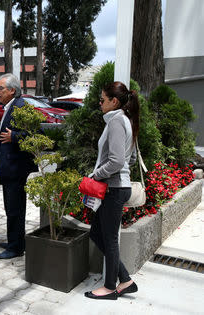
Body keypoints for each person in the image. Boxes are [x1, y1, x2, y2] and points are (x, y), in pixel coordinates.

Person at [84, 81, 139, 300]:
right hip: (118, 187)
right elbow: (131, 158)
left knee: (108, 238)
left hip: (114, 189)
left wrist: (95, 175)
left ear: (114, 101)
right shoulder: (125, 120)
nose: (99, 103)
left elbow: (116, 162)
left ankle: (109, 288)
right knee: (98, 233)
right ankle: (125, 280)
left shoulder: (117, 121)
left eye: (102, 100)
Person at [0, 73, 38, 260]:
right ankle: (15, 240)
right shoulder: (10, 107)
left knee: (15, 209)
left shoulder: (20, 107)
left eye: (0, 89)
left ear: (12, 90)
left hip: (16, 169)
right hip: (9, 168)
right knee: (11, 208)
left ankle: (16, 248)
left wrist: (14, 137)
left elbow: (36, 135)